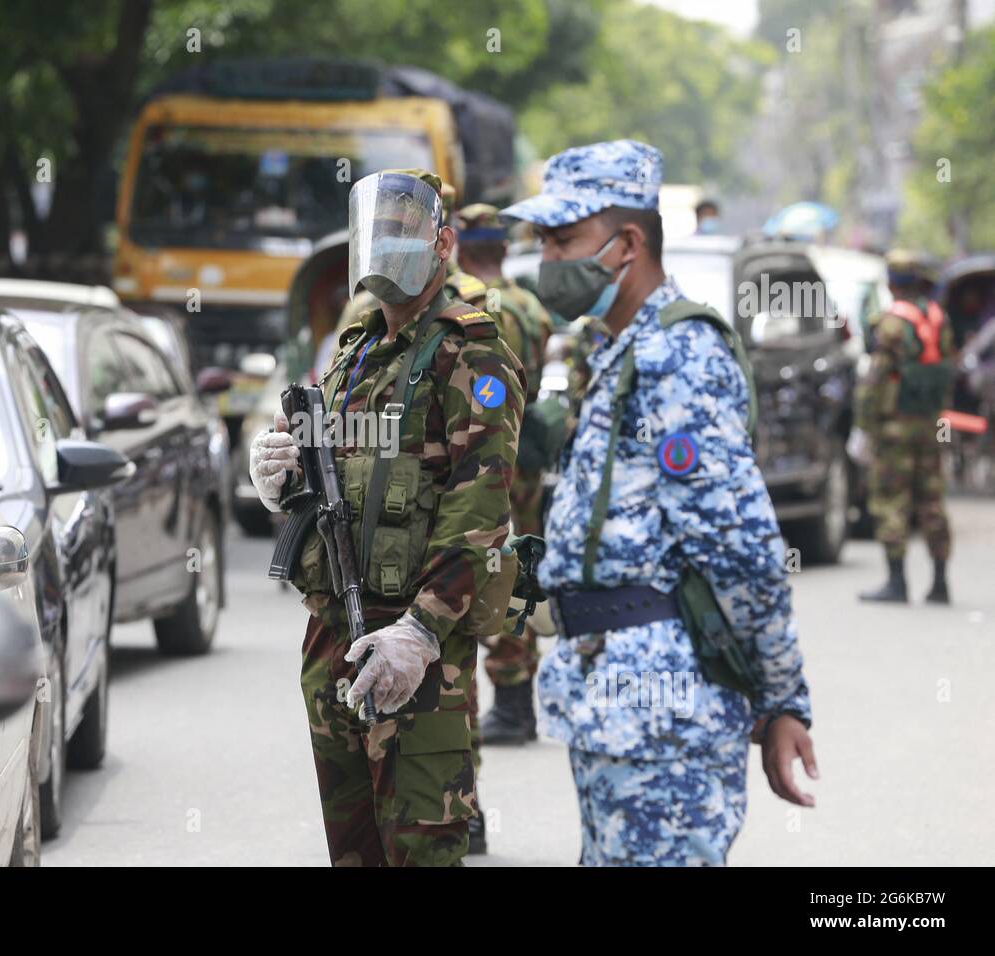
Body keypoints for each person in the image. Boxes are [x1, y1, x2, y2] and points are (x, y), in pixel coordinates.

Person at [501, 140, 817, 866]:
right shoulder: (619, 349)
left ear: (627, 244)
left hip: (662, 706)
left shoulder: (678, 352)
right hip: (616, 699)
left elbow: (739, 545)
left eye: (564, 239)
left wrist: (781, 701)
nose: (547, 258)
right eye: (544, 240)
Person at [249, 169, 525, 866]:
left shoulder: (472, 351)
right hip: (333, 637)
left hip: (415, 649)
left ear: (443, 244)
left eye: (406, 231)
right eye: (381, 230)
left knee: (421, 852)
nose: (388, 246)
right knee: (354, 851)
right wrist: (278, 477)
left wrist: (422, 632)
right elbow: (331, 488)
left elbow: (479, 506)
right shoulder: (355, 354)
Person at [453, 202, 554, 747]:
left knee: (491, 565)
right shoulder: (529, 304)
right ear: (505, 246)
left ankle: (511, 694)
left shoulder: (469, 302)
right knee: (521, 562)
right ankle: (520, 697)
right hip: (527, 452)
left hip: (489, 449)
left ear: (463, 248)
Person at [853, 249, 954, 603]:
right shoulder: (937, 317)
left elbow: (874, 380)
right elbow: (947, 370)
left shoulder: (891, 322)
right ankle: (940, 583)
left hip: (894, 428)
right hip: (931, 423)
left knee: (891, 499)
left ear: (891, 282)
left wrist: (863, 427)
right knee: (931, 498)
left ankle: (897, 583)